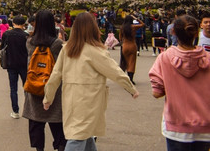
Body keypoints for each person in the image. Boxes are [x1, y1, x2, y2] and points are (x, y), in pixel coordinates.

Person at [43, 12, 139, 151]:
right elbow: (114, 71)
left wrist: (48, 97)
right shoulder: (95, 51)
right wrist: (131, 88)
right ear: (93, 28)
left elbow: (56, 75)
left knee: (84, 134)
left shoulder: (67, 49)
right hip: (89, 99)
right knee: (79, 136)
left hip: (70, 97)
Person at [149, 15, 210, 150]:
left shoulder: (165, 58)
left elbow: (157, 93)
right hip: (205, 127)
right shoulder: (208, 59)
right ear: (196, 32)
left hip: (176, 125)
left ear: (173, 32)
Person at [23, 10, 66, 151]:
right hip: (54, 90)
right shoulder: (57, 44)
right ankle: (59, 146)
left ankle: (39, 149)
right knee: (57, 123)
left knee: (36, 123)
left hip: (35, 87)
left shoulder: (30, 42)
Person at [1, 15, 29, 119]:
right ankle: (28, 110)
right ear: (23, 24)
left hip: (11, 64)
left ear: (13, 23)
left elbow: (2, 47)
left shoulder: (7, 34)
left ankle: (15, 111)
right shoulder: (26, 36)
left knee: (13, 88)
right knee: (26, 87)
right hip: (24, 64)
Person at [119, 15, 144, 84]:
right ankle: (130, 78)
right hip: (132, 45)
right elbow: (142, 24)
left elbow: (120, 38)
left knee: (125, 62)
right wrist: (136, 18)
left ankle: (124, 77)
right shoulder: (133, 27)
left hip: (125, 46)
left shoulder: (122, 28)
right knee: (132, 62)